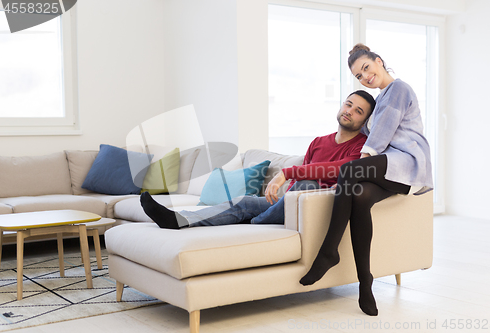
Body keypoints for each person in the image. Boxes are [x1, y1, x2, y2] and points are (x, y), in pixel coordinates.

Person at [299, 44, 433, 316]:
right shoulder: (381, 98)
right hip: (389, 168)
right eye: (359, 76)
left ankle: (329, 252)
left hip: (408, 163)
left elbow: (381, 134)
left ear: (379, 62)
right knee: (359, 197)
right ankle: (365, 284)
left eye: (366, 68)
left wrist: (362, 158)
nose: (365, 77)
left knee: (350, 171)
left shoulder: (398, 89)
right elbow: (366, 131)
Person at [140, 90, 376, 229]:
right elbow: (304, 174)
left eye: (358, 111)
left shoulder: (362, 148)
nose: (349, 111)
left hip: (311, 207)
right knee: (244, 201)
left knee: (308, 185)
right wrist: (287, 185)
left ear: (365, 121)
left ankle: (254, 221)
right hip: (287, 202)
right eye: (349, 104)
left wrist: (288, 173)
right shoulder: (318, 141)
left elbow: (338, 169)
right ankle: (179, 219)